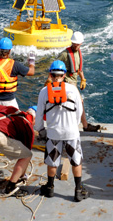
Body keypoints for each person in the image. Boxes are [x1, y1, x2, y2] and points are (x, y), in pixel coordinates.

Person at [35, 60, 89, 202]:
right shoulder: (73, 89)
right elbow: (79, 111)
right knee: (76, 161)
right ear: (64, 74)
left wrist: (40, 130)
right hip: (71, 132)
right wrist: (74, 125)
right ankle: (78, 190)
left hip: (53, 133)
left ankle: (50, 188)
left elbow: (39, 115)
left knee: (52, 161)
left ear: (50, 75)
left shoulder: (44, 91)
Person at [0, 103, 36, 196]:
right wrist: (22, 175)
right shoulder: (28, 126)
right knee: (27, 155)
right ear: (34, 119)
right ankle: (11, 187)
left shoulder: (12, 109)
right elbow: (25, 155)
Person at [58, 31, 100, 132]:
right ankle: (84, 126)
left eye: (78, 44)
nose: (76, 45)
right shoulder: (64, 54)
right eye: (74, 43)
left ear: (81, 43)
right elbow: (55, 66)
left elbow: (79, 69)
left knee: (73, 103)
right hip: (67, 82)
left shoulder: (79, 53)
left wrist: (83, 79)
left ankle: (77, 125)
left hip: (74, 82)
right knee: (79, 102)